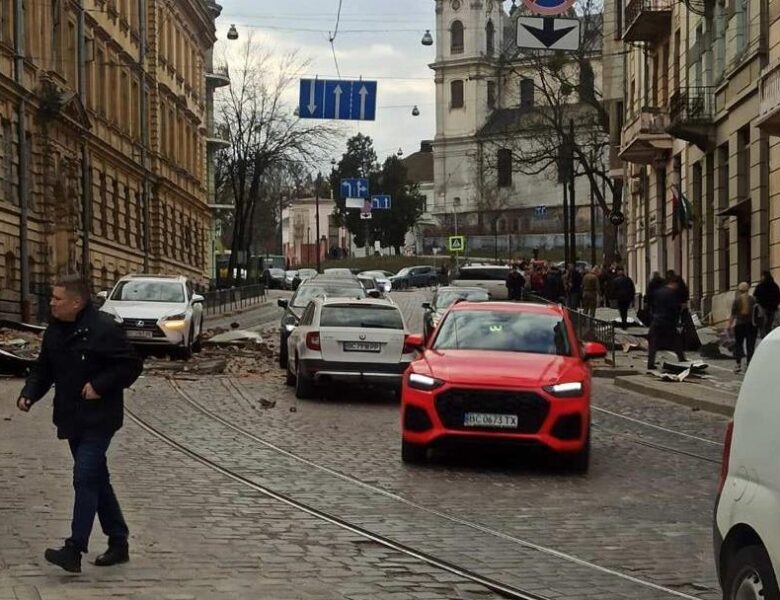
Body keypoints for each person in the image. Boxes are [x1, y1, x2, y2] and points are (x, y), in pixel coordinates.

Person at [17, 275, 143, 573]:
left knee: (84, 476)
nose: (51, 303)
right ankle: (119, 541)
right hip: (71, 415)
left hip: (100, 416)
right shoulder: (55, 331)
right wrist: (29, 394)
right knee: (96, 478)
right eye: (52, 298)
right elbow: (44, 369)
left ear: (77, 302)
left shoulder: (104, 328)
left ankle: (74, 548)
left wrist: (99, 385)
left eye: (57, 299)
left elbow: (130, 364)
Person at [647, 278, 687, 370]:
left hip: (657, 320)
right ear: (674, 283)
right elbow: (675, 308)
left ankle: (650, 363)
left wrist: (653, 316)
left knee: (653, 343)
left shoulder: (657, 292)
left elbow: (652, 306)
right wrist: (677, 321)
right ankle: (682, 359)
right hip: (668, 321)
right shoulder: (673, 294)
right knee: (676, 341)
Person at [730, 282, 758, 373]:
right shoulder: (753, 299)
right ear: (748, 289)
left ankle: (738, 364)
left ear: (739, 290)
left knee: (738, 344)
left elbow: (733, 314)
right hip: (751, 324)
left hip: (739, 324)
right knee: (750, 345)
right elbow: (757, 312)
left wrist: (729, 325)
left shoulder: (737, 300)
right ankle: (749, 363)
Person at [754, 271, 780, 337]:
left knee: (762, 323)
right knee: (769, 323)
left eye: (762, 276)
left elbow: (756, 296)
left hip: (763, 307)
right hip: (772, 308)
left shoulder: (760, 286)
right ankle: (769, 335)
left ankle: (764, 336)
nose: (761, 277)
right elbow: (778, 296)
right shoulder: (775, 286)